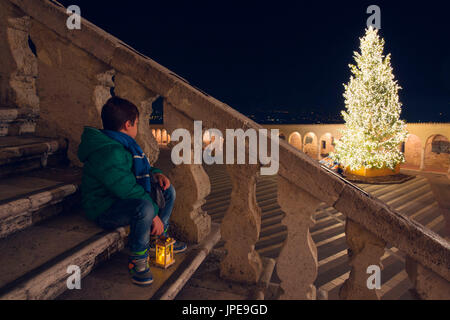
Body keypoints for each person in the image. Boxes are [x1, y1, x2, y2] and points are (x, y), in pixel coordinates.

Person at [77, 96, 186, 286]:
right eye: (137, 123)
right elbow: (128, 189)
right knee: (145, 208)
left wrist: (157, 174)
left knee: (167, 191)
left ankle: (158, 238)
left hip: (121, 199)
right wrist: (154, 216)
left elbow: (138, 171)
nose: (138, 127)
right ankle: (138, 259)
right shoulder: (109, 151)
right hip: (104, 207)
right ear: (128, 125)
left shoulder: (122, 144)